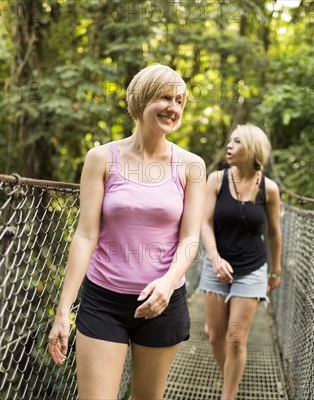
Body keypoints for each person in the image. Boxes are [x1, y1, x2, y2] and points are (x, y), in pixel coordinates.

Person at [47, 64, 206, 399]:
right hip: (104, 301)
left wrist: (167, 282)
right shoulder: (101, 158)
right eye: (165, 97)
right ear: (141, 100)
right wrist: (64, 311)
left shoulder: (192, 165)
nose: (174, 108)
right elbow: (86, 235)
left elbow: (190, 238)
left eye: (180, 101)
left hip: (163, 301)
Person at [198, 124, 282, 399]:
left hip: (252, 270)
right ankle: (231, 378)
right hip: (215, 265)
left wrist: (276, 270)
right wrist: (215, 258)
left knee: (235, 340)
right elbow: (205, 223)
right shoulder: (216, 180)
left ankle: (228, 395)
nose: (229, 146)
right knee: (216, 337)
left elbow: (273, 232)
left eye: (237, 141)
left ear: (252, 149)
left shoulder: (269, 189)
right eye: (229, 141)